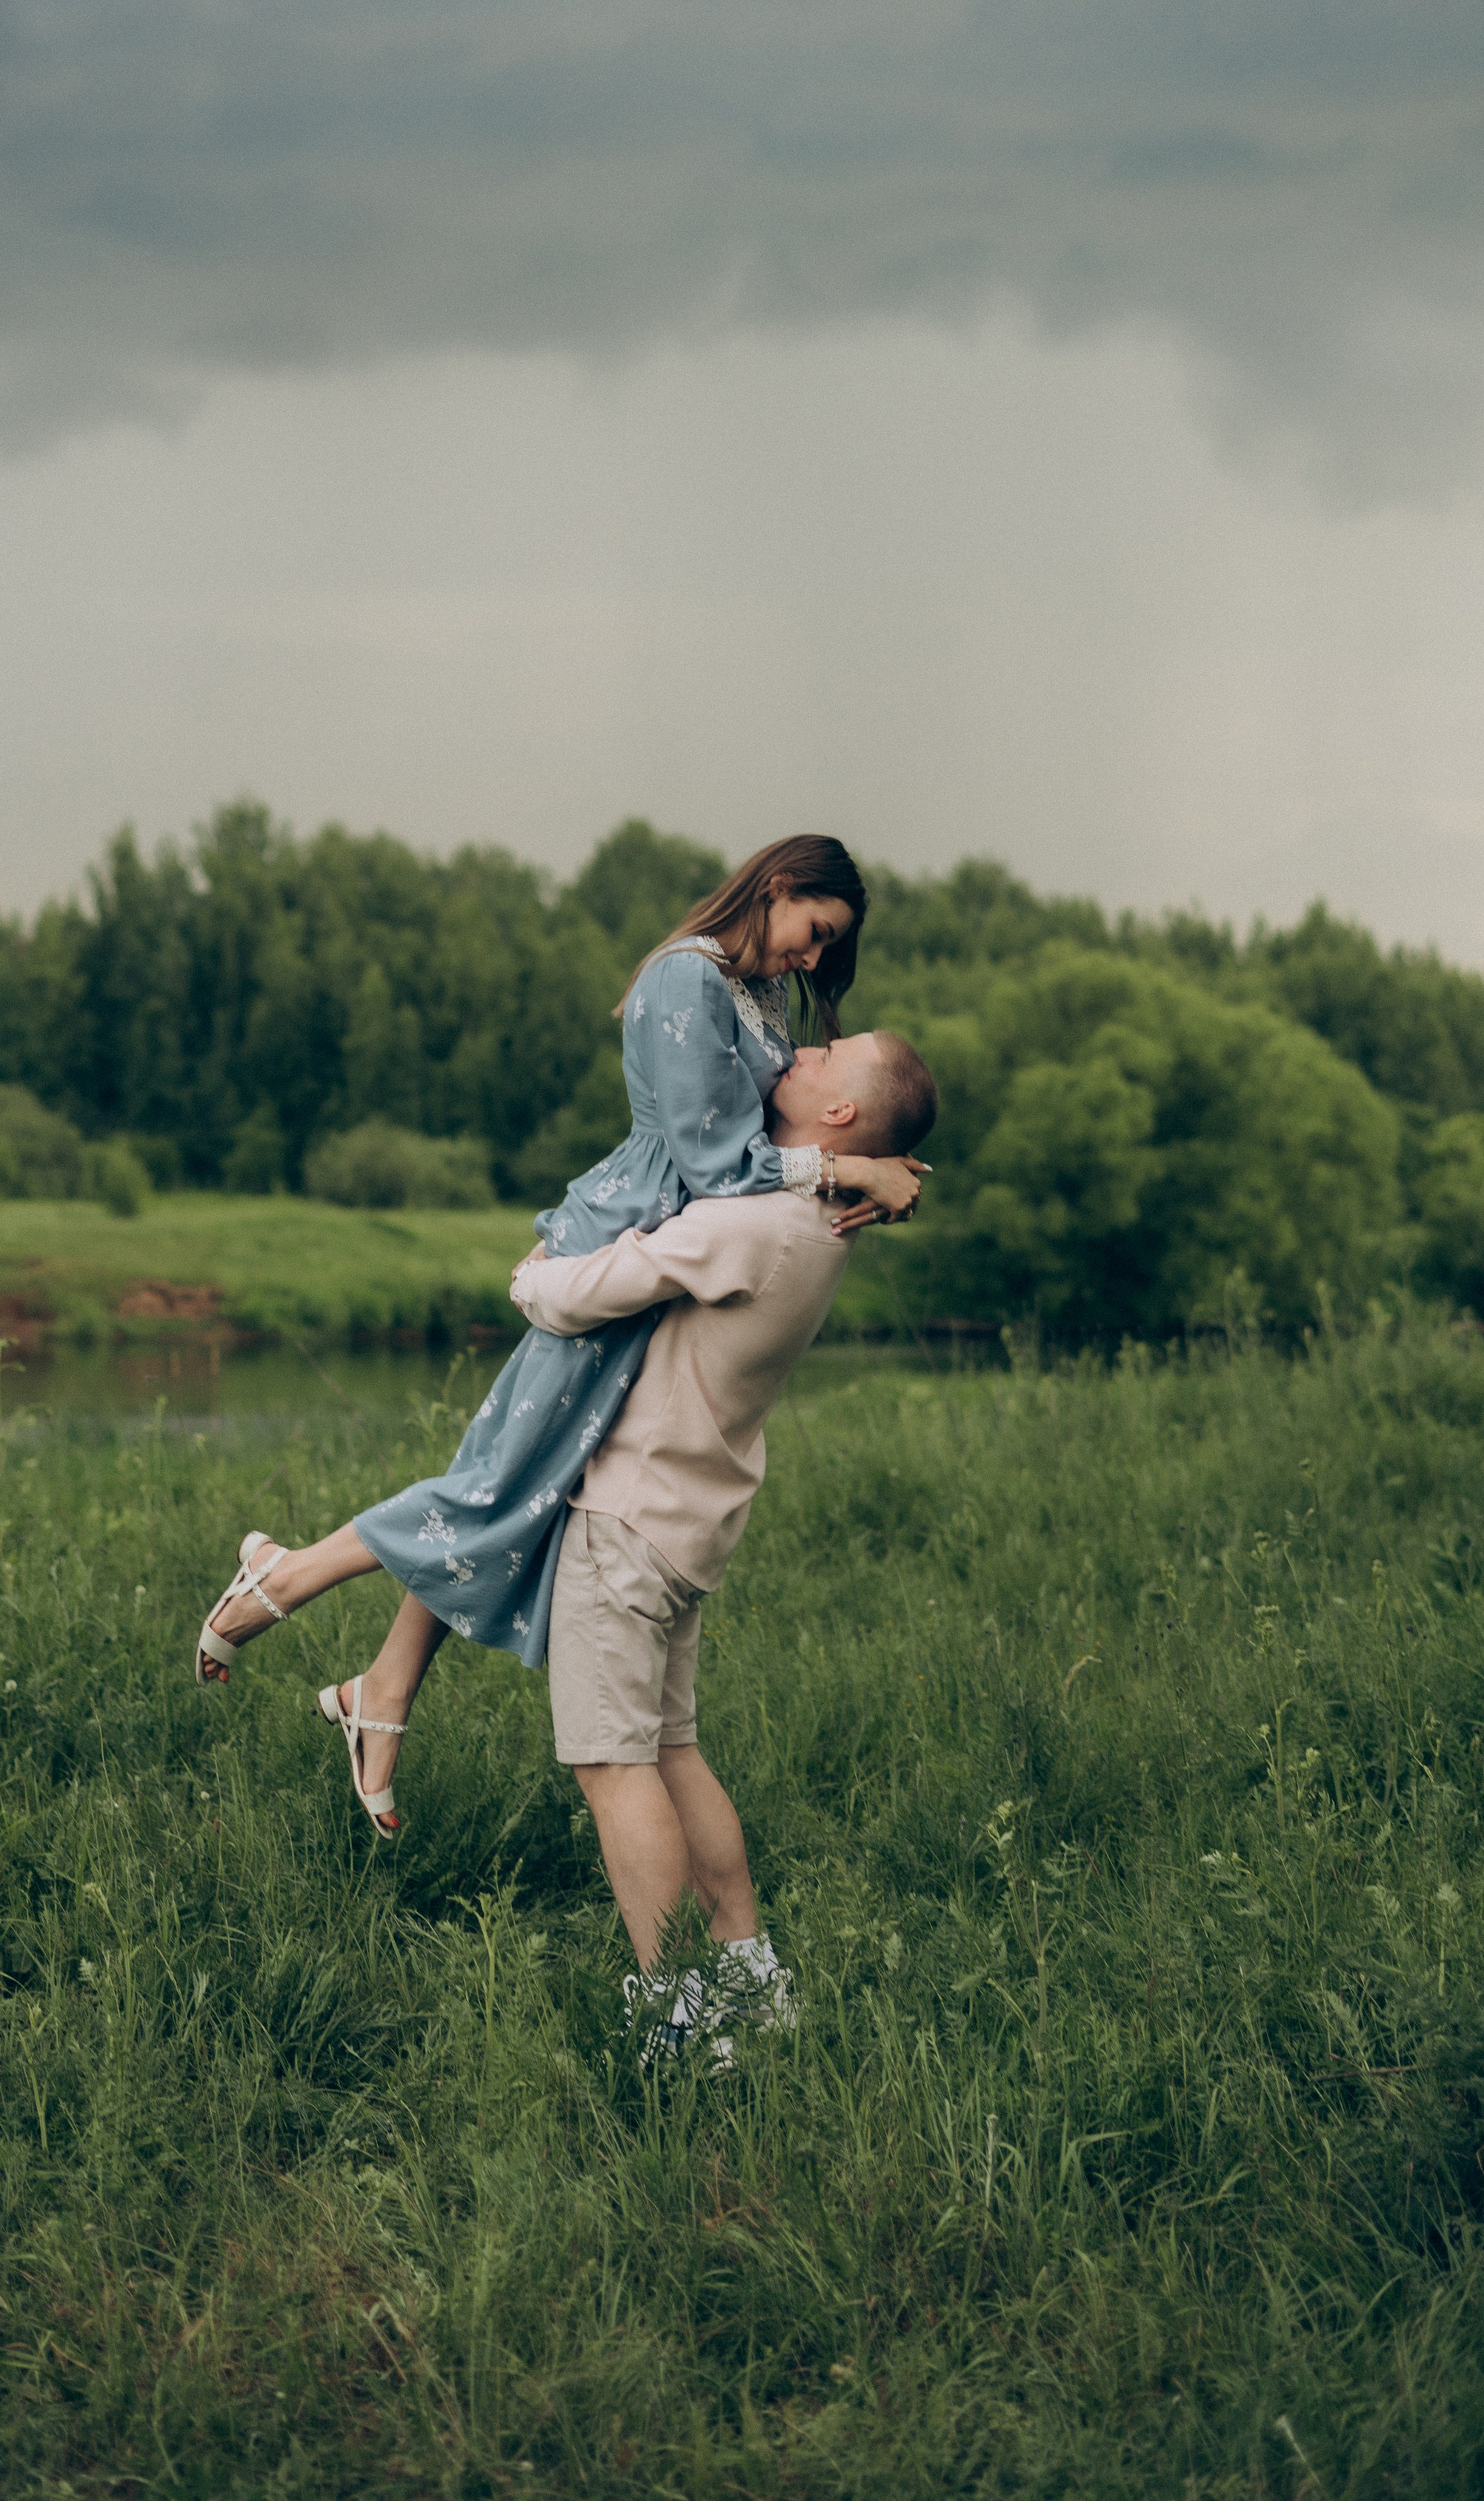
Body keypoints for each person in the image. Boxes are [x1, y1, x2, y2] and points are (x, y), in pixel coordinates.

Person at [192, 837, 926, 1830]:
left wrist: (886, 1164)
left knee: (524, 1482)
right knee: (505, 1480)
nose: (813, 957)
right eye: (816, 930)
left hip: (668, 1260)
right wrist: (851, 1170)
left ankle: (382, 1688)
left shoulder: (757, 990)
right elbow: (718, 1164)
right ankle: (288, 1576)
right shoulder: (687, 979)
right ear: (781, 885)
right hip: (622, 1247)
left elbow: (808, 1127)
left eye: (827, 946)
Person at [511, 1025, 939, 2061]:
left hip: (627, 1520)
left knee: (615, 1769)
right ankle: (750, 1977)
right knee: (672, 1749)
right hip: (688, 1520)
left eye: (828, 1055)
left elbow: (581, 1292)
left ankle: (675, 2020)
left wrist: (530, 1275)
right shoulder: (817, 1219)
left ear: (839, 1113)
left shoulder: (754, 1223)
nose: (804, 1049)